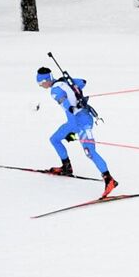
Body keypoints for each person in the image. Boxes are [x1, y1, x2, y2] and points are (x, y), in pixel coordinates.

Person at [35, 67, 117, 199]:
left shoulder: (55, 91)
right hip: (80, 117)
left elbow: (70, 110)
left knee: (89, 152)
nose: (40, 86)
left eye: (40, 83)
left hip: (81, 122)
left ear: (46, 80)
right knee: (55, 139)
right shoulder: (63, 81)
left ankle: (109, 179)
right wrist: (72, 85)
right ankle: (66, 167)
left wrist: (73, 131)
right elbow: (83, 82)